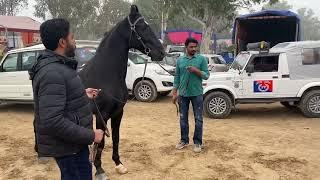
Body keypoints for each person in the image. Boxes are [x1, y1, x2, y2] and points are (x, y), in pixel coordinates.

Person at [29, 18, 104, 180]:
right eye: (72, 37)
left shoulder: (59, 66)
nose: (75, 41)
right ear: (62, 42)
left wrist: (82, 93)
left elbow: (60, 99)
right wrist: (91, 135)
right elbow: (53, 120)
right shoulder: (52, 72)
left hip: (72, 145)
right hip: (68, 148)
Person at [172, 37, 210, 153]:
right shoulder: (180, 60)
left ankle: (197, 142)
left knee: (198, 119)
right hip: (183, 94)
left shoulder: (201, 59)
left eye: (195, 47)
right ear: (186, 47)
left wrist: (195, 70)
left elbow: (206, 75)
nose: (194, 49)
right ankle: (184, 140)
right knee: (183, 119)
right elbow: (177, 77)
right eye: (191, 47)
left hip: (197, 94)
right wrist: (174, 93)